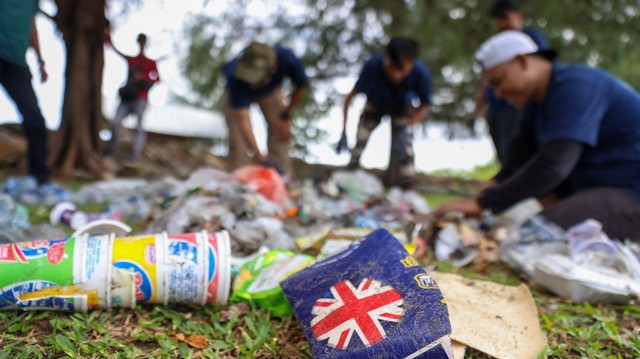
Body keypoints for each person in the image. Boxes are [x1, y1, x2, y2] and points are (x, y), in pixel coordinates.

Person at [437, 31, 640, 241]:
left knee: (538, 231)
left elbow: (554, 164)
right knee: (516, 228)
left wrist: (485, 203)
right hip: (596, 189)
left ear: (522, 61)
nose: (497, 94)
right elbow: (521, 156)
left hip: (632, 192)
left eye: (498, 81)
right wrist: (493, 186)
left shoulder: (578, 85)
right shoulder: (538, 104)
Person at [341, 37, 432, 189]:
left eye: (401, 70)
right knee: (361, 138)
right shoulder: (373, 66)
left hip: (402, 109)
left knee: (405, 148)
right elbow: (349, 98)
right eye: (393, 68)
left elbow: (424, 105)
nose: (396, 75)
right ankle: (349, 176)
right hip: (374, 105)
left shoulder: (420, 73)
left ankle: (407, 187)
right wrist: (343, 131)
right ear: (386, 58)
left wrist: (411, 126)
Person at [470, 0, 549, 164]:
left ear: (519, 16)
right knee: (505, 156)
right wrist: (477, 110)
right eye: (498, 19)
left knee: (519, 155)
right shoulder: (495, 44)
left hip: (517, 108)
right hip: (496, 109)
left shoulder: (529, 38)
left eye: (505, 17)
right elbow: (487, 81)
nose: (502, 23)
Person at [223, 41, 309, 178]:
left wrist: (285, 116)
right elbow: (243, 122)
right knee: (237, 138)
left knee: (280, 131)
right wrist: (261, 158)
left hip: (271, 92)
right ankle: (239, 180)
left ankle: (282, 179)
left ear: (273, 69)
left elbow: (301, 87)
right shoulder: (235, 75)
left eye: (255, 77)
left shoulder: (287, 60)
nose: (251, 83)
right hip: (237, 94)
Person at [0, 0, 50, 185]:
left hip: (17, 63)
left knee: (35, 119)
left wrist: (40, 60)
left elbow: (32, 27)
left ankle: (39, 179)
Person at [102, 32, 160, 163]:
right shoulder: (132, 60)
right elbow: (116, 51)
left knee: (139, 127)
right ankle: (110, 150)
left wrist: (142, 78)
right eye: (140, 40)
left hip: (141, 98)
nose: (141, 43)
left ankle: (134, 156)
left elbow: (157, 78)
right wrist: (109, 39)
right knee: (115, 122)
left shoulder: (150, 62)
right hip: (127, 98)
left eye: (143, 41)